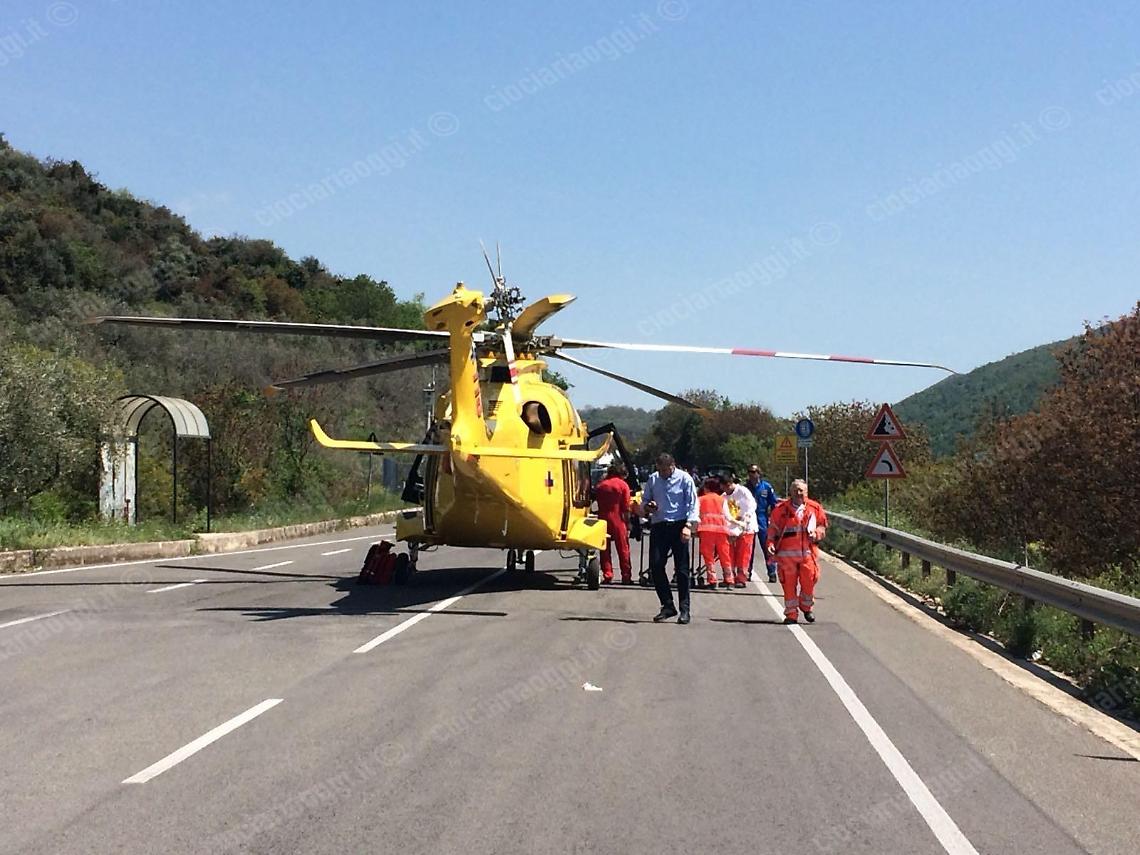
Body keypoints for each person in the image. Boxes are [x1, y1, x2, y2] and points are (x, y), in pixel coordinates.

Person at [642, 452, 700, 624]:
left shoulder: (685, 479)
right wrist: (648, 506)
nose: (662, 474)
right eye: (659, 470)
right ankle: (667, 605)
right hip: (660, 525)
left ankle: (685, 609)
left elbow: (692, 504)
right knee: (656, 565)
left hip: (680, 525)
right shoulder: (653, 479)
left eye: (665, 470)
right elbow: (645, 500)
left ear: (672, 466)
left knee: (682, 570)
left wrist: (688, 526)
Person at [766, 479, 828, 624]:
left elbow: (822, 527)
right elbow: (773, 530)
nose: (798, 493)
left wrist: (817, 534)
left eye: (801, 490)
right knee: (788, 585)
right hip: (786, 556)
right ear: (790, 492)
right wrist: (770, 543)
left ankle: (806, 607)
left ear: (806, 492)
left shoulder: (815, 508)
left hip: (808, 554)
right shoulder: (781, 510)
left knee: (809, 581)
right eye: (795, 490)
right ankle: (791, 614)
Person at [594, 462, 633, 584]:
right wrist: (628, 522)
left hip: (602, 517)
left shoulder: (601, 485)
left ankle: (608, 574)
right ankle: (626, 576)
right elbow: (626, 507)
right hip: (617, 518)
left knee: (604, 549)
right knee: (623, 548)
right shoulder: (623, 485)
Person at [721, 471, 758, 587]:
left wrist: (746, 518)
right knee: (729, 554)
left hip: (746, 528)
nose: (725, 490)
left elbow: (752, 505)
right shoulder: (723, 497)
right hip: (731, 529)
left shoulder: (743, 491)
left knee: (743, 554)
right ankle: (729, 577)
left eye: (726, 487)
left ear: (729, 484)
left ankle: (741, 578)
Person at [696, 477, 733, 587]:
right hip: (722, 530)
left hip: (706, 529)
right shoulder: (722, 500)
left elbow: (696, 515)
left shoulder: (701, 499)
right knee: (724, 555)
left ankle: (712, 580)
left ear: (706, 488)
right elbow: (728, 516)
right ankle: (729, 579)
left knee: (708, 556)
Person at [746, 465, 780, 583]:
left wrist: (774, 520)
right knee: (748, 547)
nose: (751, 474)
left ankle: (771, 572)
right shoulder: (745, 488)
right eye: (749, 472)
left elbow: (774, 504)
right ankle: (747, 572)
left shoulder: (766, 487)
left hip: (762, 518)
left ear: (759, 473)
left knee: (767, 547)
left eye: (754, 472)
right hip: (749, 519)